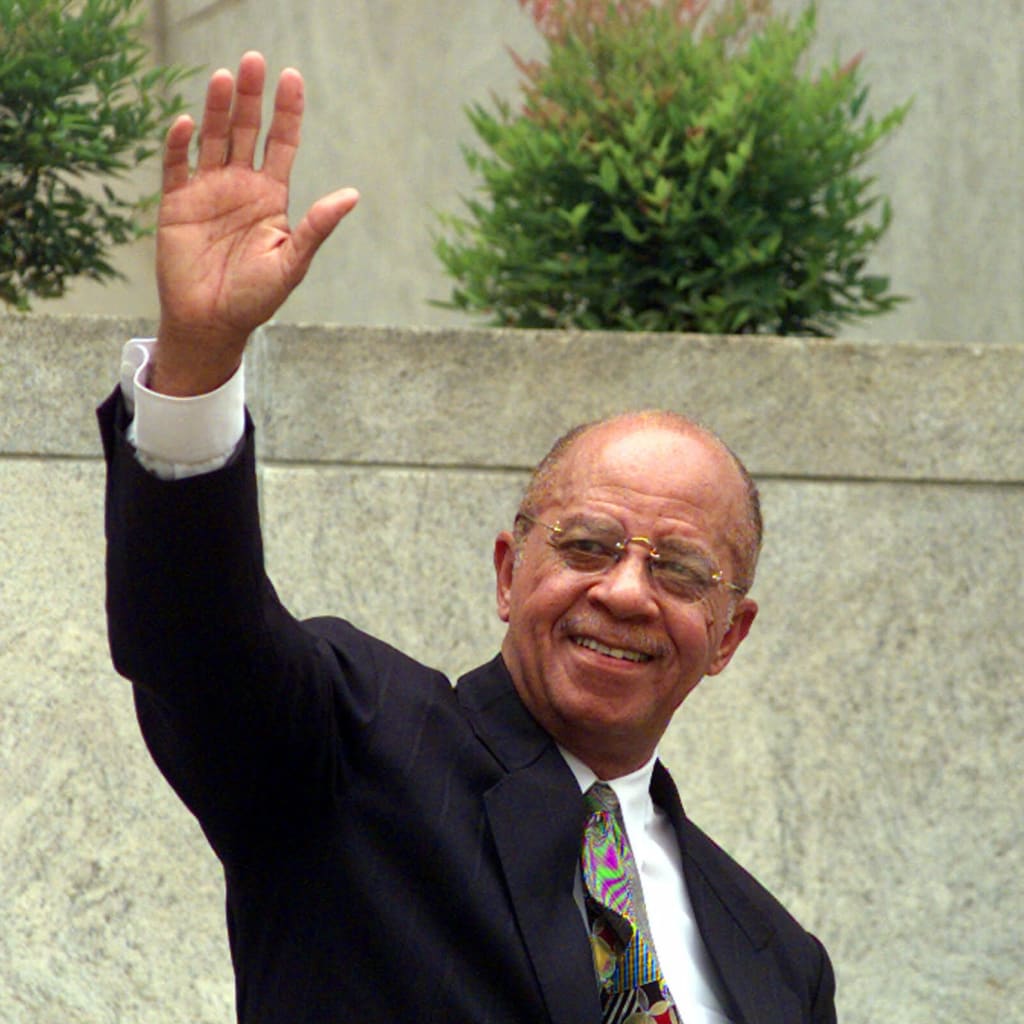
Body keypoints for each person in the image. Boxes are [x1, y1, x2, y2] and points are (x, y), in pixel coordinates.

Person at [99, 52, 836, 1024]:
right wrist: (200, 358)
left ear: (728, 634)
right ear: (506, 569)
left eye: (678, 569)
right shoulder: (350, 751)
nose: (623, 591)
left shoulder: (781, 958)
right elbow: (192, 639)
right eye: (586, 545)